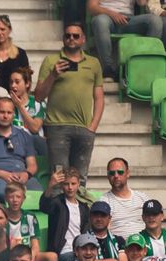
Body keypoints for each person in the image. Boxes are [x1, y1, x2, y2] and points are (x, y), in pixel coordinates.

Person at [35, 21, 104, 181]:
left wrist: (93, 126)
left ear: (83, 39)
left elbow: (99, 97)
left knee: (80, 179)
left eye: (75, 36)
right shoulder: (51, 61)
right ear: (63, 39)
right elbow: (38, 96)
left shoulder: (93, 63)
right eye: (68, 36)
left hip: (84, 129)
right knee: (59, 179)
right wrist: (53, 74)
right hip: (57, 127)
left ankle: (79, 207)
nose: (71, 39)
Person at [88, 0, 163, 79]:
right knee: (99, 21)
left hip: (129, 20)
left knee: (155, 21)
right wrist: (113, 14)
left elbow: (142, 3)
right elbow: (92, 7)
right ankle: (108, 69)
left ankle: (141, 66)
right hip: (107, 18)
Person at [38, 167, 89, 261]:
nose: (70, 187)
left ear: (78, 184)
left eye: (73, 184)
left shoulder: (84, 207)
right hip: (63, 251)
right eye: (66, 184)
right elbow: (44, 206)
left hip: (81, 250)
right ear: (61, 186)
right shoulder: (58, 203)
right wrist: (50, 186)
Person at [100, 157, 149, 239]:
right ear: (108, 176)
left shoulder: (143, 198)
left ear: (128, 173)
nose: (116, 176)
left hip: (144, 246)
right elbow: (103, 232)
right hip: (119, 248)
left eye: (120, 172)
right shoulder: (103, 202)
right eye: (112, 173)